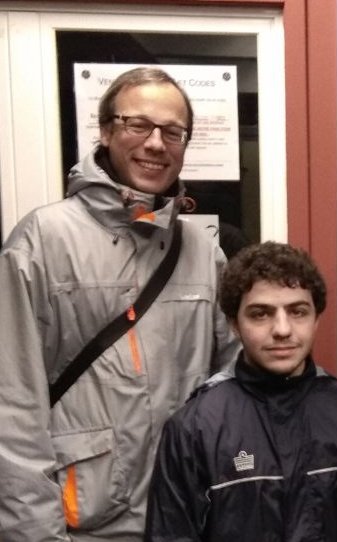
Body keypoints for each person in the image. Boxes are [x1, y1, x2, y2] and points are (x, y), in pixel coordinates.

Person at [0, 67, 240, 540]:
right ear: (107, 131)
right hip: (86, 526)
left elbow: (231, 381)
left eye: (172, 132)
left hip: (186, 516)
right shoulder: (42, 240)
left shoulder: (201, 250)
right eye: (138, 125)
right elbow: (13, 406)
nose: (156, 143)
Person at [145, 242, 337, 541]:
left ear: (316, 319)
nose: (282, 329)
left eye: (297, 312)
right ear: (234, 324)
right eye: (260, 314)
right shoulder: (194, 427)